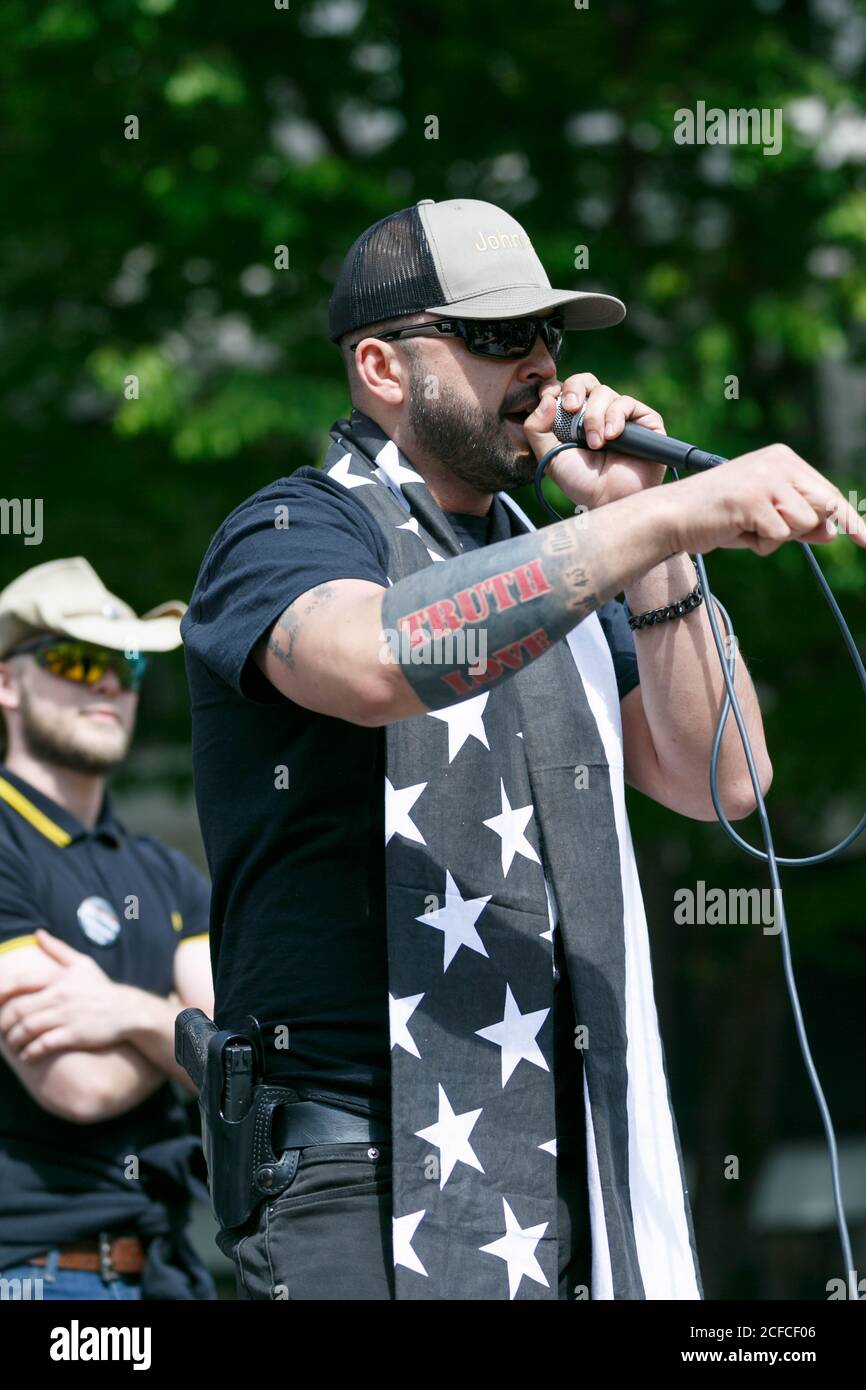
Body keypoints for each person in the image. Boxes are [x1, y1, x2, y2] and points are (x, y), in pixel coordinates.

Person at [181, 197, 866, 1301]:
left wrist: (652, 538)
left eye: (551, 335)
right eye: (497, 337)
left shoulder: (563, 564)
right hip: (360, 1164)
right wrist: (660, 520)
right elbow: (372, 660)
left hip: (559, 1146)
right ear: (380, 366)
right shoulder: (287, 530)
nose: (541, 365)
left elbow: (720, 778)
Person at [0, 557, 216, 1300]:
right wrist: (182, 1039)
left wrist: (123, 1011)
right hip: (33, 1272)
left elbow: (240, 1067)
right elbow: (76, 1085)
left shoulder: (167, 873)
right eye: (71, 658)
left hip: (162, 1265)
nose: (107, 685)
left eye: (123, 663)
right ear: (6, 683)